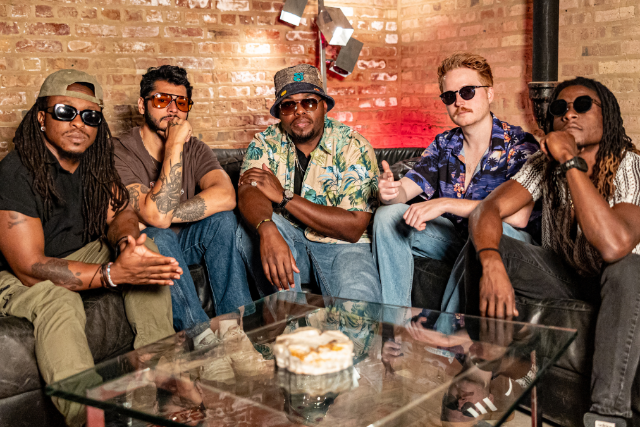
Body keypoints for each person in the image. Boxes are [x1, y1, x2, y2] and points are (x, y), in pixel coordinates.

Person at [0, 69, 180, 426]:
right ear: (41, 118)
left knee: (146, 252)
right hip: (13, 274)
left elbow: (122, 213)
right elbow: (29, 267)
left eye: (90, 116)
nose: (78, 123)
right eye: (65, 112)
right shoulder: (15, 172)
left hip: (72, 255)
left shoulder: (94, 163)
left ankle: (159, 374)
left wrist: (127, 244)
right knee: (59, 300)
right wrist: (112, 274)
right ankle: (87, 416)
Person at [463, 76, 640, 427]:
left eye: (583, 105)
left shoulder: (629, 165)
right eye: (560, 108)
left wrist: (570, 161)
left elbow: (614, 245)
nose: (569, 114)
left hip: (623, 288)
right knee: (484, 244)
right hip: (569, 279)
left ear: (607, 115)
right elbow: (486, 210)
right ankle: (496, 369)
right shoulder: (543, 165)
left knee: (628, 267)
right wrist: (492, 261)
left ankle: (606, 417)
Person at [372, 52, 540, 309]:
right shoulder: (444, 145)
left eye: (468, 92)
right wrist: (389, 192)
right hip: (456, 240)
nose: (459, 102)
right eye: (450, 96)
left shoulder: (519, 145)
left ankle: (447, 332)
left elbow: (518, 218)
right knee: (388, 216)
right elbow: (404, 192)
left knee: (482, 229)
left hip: (508, 243)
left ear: (489, 94)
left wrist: (445, 204)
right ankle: (394, 322)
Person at [113, 65, 253, 348]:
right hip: (152, 245)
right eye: (161, 100)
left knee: (223, 220)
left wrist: (163, 215)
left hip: (185, 241)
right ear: (142, 105)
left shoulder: (196, 148)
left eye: (181, 103)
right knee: (157, 235)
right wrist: (174, 145)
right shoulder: (119, 150)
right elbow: (155, 223)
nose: (173, 109)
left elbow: (227, 195)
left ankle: (236, 332)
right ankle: (202, 339)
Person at [236, 64, 381, 303]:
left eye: (309, 102)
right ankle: (289, 320)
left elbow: (353, 227)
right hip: (288, 240)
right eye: (288, 105)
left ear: (324, 106)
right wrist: (266, 227)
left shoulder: (353, 146)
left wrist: (284, 197)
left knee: (360, 311)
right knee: (249, 229)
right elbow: (248, 190)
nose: (299, 111)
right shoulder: (265, 142)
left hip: (342, 247)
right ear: (280, 112)